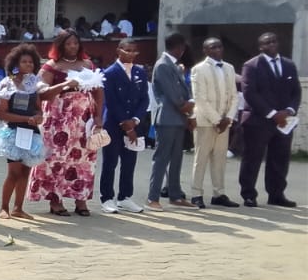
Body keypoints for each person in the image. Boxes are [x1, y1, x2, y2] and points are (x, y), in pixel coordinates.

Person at [27, 29, 104, 217]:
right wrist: (64, 85)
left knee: (84, 159)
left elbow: (98, 91)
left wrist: (98, 116)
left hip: (83, 119)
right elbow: (42, 93)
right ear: (60, 45)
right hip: (58, 119)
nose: (73, 47)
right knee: (56, 158)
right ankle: (56, 200)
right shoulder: (51, 67)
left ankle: (81, 199)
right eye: (68, 43)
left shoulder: (88, 64)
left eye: (75, 43)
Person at [239, 32, 300, 208]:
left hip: (283, 122)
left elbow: (296, 91)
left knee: (280, 159)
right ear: (260, 47)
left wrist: (289, 110)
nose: (271, 44)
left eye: (274, 41)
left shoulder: (289, 65)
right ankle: (249, 195)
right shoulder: (251, 66)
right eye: (267, 42)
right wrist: (272, 113)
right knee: (252, 159)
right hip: (258, 120)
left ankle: (276, 194)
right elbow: (250, 93)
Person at [0, 44, 51, 219]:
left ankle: (18, 208)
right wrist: (25, 119)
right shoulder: (7, 83)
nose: (28, 64)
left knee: (25, 171)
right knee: (14, 172)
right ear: (16, 64)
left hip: (31, 133)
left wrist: (38, 116)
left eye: (31, 62)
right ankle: (4, 208)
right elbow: (2, 113)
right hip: (13, 132)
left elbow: (39, 108)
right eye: (24, 61)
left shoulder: (34, 85)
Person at [98, 39, 150, 214]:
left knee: (129, 161)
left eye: (134, 51)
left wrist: (135, 120)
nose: (131, 54)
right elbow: (111, 101)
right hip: (114, 124)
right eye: (127, 50)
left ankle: (125, 197)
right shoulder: (110, 73)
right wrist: (126, 125)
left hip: (133, 123)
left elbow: (144, 98)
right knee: (110, 161)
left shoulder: (139, 71)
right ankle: (107, 198)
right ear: (118, 51)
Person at [146, 33, 196, 211]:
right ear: (180, 47)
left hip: (178, 118)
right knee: (161, 158)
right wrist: (188, 105)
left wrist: (188, 112)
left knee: (176, 158)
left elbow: (182, 90)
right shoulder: (163, 65)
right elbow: (173, 94)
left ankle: (175, 195)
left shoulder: (173, 65)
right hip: (167, 118)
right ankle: (153, 197)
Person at [189, 38, 240, 209]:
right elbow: (200, 99)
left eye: (219, 46)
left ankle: (219, 193)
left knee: (220, 159)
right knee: (201, 158)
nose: (217, 49)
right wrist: (218, 120)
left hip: (225, 122)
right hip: (205, 121)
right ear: (205, 50)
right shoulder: (198, 69)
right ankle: (196, 194)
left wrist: (228, 118)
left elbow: (234, 96)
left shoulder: (229, 68)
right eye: (212, 47)